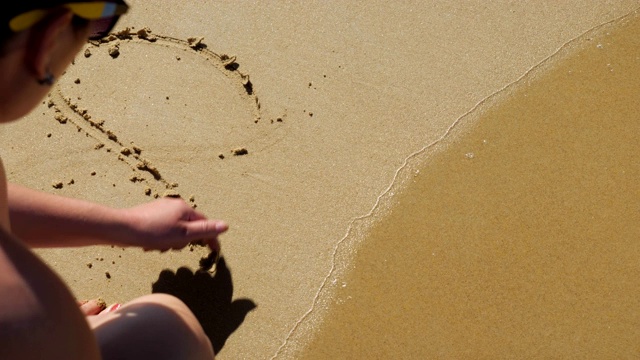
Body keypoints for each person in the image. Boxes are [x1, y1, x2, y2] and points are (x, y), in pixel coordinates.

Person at [0, 2, 227, 359]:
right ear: (49, 38)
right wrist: (71, 335)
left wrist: (125, 225)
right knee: (169, 334)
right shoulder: (28, 318)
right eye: (99, 25)